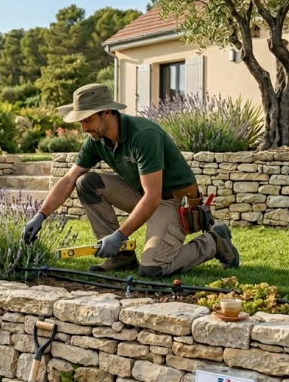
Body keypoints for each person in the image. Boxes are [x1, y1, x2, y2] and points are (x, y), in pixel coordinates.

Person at [21, 83, 239, 278]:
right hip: (144, 194)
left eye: (87, 120)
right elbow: (69, 179)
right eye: (81, 122)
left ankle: (214, 241)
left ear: (107, 112)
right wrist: (41, 215)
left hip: (172, 201)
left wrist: (119, 235)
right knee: (86, 182)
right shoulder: (96, 140)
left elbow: (153, 197)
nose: (84, 129)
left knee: (153, 269)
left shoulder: (144, 135)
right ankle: (121, 257)